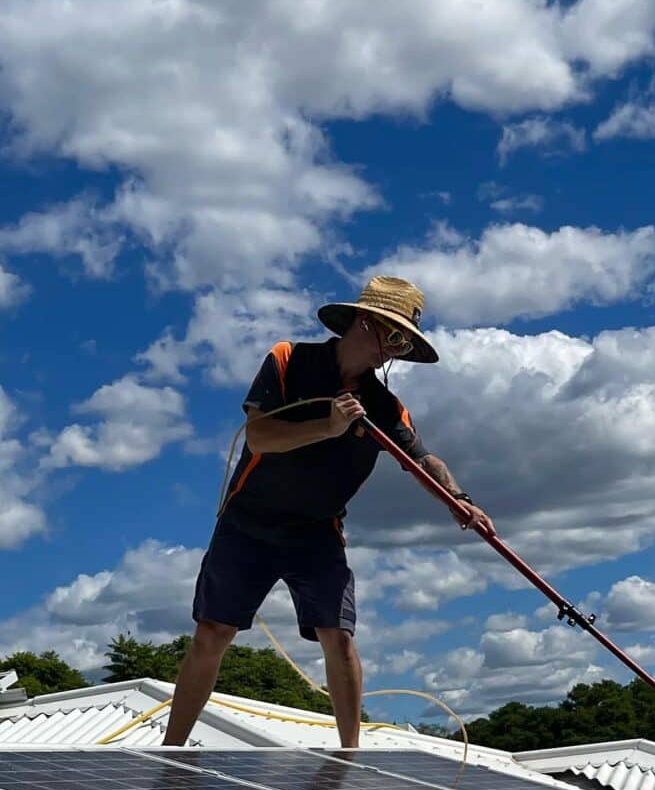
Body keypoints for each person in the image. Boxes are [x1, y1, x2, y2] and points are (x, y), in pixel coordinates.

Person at [164, 274, 486, 749]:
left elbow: (423, 459)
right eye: (393, 335)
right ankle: (170, 750)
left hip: (317, 530)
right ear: (363, 321)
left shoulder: (385, 406)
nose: (395, 350)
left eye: (404, 343)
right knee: (213, 631)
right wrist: (329, 426)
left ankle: (349, 756)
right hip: (248, 520)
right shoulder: (288, 359)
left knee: (338, 635)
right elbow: (259, 437)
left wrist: (460, 500)